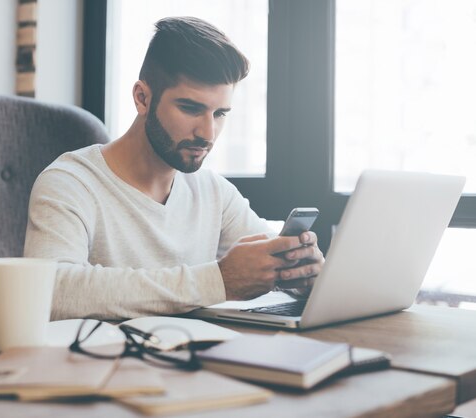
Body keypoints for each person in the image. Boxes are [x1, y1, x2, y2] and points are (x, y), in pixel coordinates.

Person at [24, 16, 324, 320]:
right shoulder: (69, 182)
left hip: (194, 361)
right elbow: (50, 292)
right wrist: (218, 281)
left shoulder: (214, 193)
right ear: (142, 98)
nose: (207, 133)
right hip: (101, 364)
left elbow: (267, 263)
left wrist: (302, 274)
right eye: (190, 108)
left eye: (219, 113)